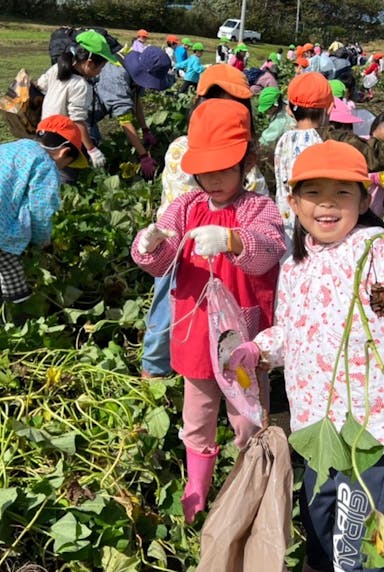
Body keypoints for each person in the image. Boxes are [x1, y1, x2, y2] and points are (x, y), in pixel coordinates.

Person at [225, 140, 384, 572]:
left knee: (359, 526)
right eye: (314, 193)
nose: (327, 204)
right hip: (318, 418)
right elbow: (292, 329)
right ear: (293, 202)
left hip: (374, 422)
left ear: (364, 199)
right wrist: (258, 348)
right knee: (319, 506)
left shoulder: (380, 248)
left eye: (341, 193)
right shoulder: (294, 263)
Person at [131, 98, 286, 524]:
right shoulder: (185, 207)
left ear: (248, 162)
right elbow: (164, 264)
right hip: (196, 334)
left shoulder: (259, 209)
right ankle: (197, 486)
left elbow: (270, 251)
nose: (213, 179)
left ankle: (246, 484)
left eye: (224, 168)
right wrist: (150, 246)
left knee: (247, 415)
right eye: (205, 170)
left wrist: (234, 242)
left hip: (240, 342)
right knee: (197, 415)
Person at [140, 64, 270, 381]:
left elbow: (256, 200)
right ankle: (155, 370)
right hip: (179, 248)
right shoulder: (184, 149)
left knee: (218, 317)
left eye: (235, 107)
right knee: (169, 305)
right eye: (216, 104)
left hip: (225, 253)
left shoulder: (244, 154)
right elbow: (188, 199)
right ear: (200, 105)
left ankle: (220, 372)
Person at [0, 116, 88, 323]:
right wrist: (42, 242)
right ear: (64, 153)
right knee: (12, 267)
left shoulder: (18, 148)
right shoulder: (45, 163)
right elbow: (41, 209)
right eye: (68, 163)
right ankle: (17, 323)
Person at [37, 29, 117, 171]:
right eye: (101, 67)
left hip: (43, 131)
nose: (101, 71)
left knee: (46, 168)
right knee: (66, 173)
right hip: (63, 138)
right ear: (90, 63)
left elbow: (40, 85)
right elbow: (77, 121)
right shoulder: (80, 85)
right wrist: (92, 150)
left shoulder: (57, 68)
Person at [90, 46, 174, 180]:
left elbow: (136, 101)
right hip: (82, 115)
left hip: (93, 115)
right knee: (86, 154)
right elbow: (124, 121)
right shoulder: (116, 75)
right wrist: (143, 155)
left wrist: (145, 129)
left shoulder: (134, 73)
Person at [273, 71, 333, 249]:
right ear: (328, 109)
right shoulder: (324, 142)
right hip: (315, 222)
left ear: (289, 109)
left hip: (287, 221)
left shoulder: (284, 139)